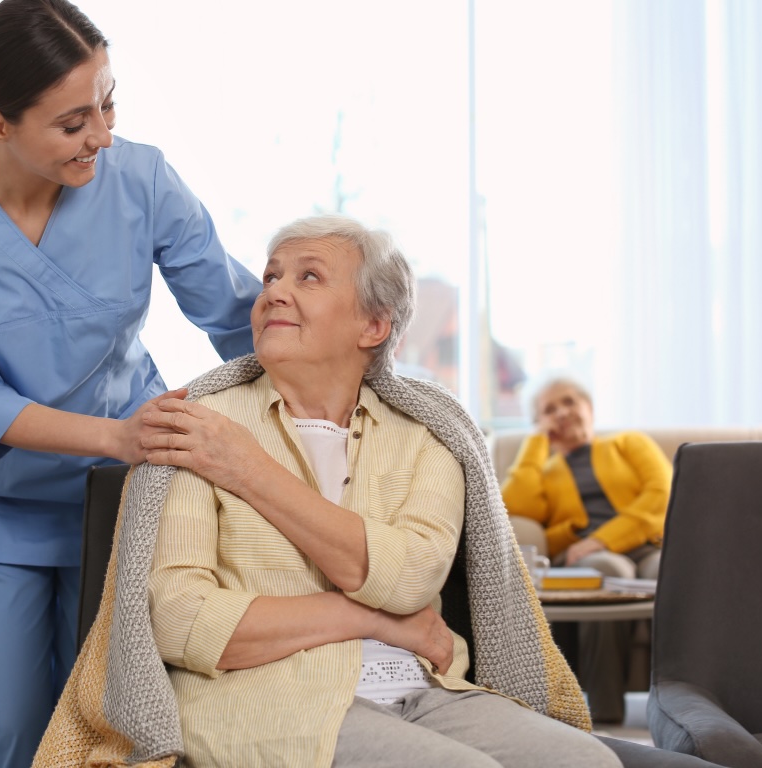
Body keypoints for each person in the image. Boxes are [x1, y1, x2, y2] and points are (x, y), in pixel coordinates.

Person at [0, 2, 261, 766]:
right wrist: (117, 436)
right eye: (74, 122)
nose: (103, 136)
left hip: (127, 500)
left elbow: (231, 311)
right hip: (0, 509)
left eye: (110, 103)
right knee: (18, 726)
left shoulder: (141, 178)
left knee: (111, 724)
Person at [119, 215, 620, 767]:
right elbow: (178, 618)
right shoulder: (201, 427)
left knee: (591, 763)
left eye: (308, 277)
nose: (274, 293)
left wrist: (248, 468)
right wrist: (373, 621)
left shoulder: (428, 435)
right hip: (269, 699)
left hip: (426, 691)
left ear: (373, 327)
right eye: (270, 277)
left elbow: (408, 578)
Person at [500, 378, 672, 723]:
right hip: (588, 558)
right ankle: (604, 715)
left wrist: (603, 539)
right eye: (549, 410)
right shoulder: (545, 472)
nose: (562, 413)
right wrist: (536, 441)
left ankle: (676, 705)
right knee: (608, 570)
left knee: (666, 573)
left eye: (569, 402)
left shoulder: (629, 443)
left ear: (588, 408)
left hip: (648, 545)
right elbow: (514, 506)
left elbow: (661, 493)